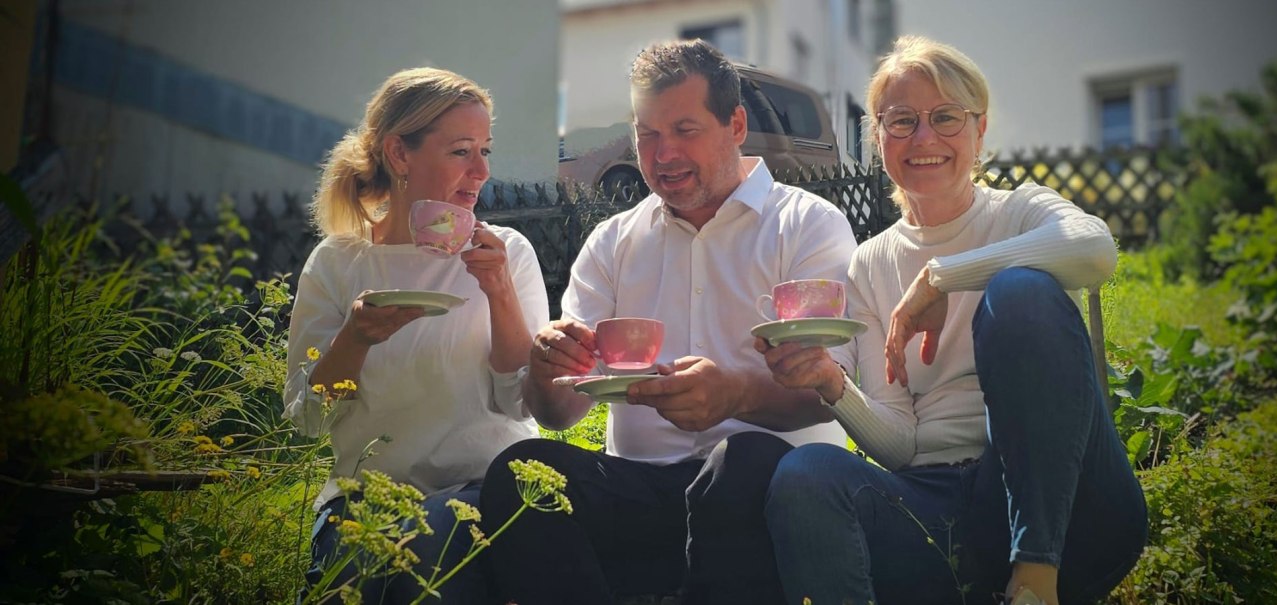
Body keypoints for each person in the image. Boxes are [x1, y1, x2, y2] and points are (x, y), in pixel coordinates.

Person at [757, 36, 1148, 605]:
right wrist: (831, 385)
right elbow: (902, 446)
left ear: (979, 130)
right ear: (877, 137)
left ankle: (1035, 579)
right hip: (939, 510)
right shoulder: (868, 265)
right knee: (806, 473)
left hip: (1067, 506)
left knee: (1019, 293)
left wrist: (943, 277)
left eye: (946, 117)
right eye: (901, 121)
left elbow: (1095, 251)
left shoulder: (1020, 212)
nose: (924, 138)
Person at [477, 40, 857, 605]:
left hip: (760, 492)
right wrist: (546, 368)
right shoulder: (613, 243)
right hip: (641, 487)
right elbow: (559, 413)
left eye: (684, 129)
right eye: (647, 134)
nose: (663, 154)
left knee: (745, 457)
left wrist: (734, 396)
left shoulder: (806, 226)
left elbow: (836, 392)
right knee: (522, 471)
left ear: (735, 124)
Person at [283, 67, 548, 603]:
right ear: (399, 155)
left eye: (485, 151)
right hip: (364, 500)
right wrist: (354, 339)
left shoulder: (506, 252)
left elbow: (521, 403)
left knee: (426, 557)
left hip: (488, 488)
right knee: (357, 580)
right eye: (461, 152)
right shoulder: (338, 263)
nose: (481, 172)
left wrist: (497, 289)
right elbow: (309, 418)